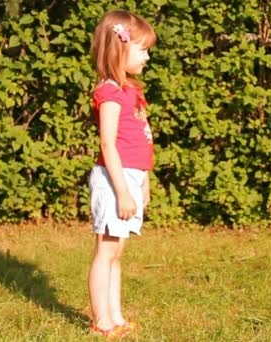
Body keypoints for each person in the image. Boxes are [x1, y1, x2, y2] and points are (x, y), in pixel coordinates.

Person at [87, 9, 156, 338]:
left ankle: (115, 316)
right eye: (142, 49)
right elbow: (108, 143)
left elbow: (141, 138)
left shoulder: (131, 90)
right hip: (114, 179)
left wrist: (143, 180)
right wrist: (123, 191)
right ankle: (101, 320)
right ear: (119, 48)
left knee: (117, 252)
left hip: (129, 177)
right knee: (106, 251)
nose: (147, 57)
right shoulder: (110, 92)